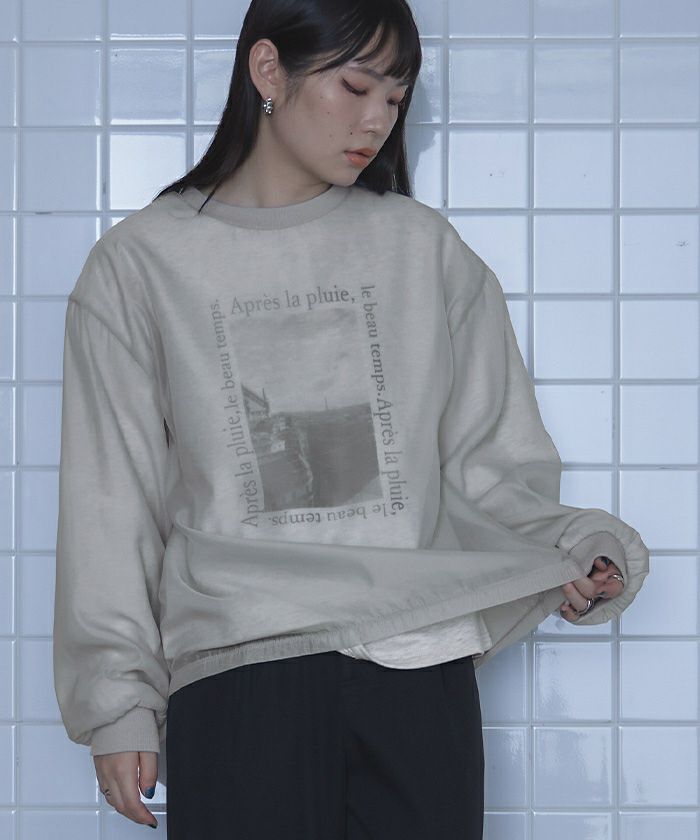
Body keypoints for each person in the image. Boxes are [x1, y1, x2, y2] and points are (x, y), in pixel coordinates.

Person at [52, 0, 649, 837]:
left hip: (417, 666)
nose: (378, 120)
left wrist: (574, 545)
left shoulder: (424, 251)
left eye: (397, 98)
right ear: (268, 70)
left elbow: (489, 466)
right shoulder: (141, 265)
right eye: (357, 86)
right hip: (239, 674)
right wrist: (117, 702)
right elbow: (110, 501)